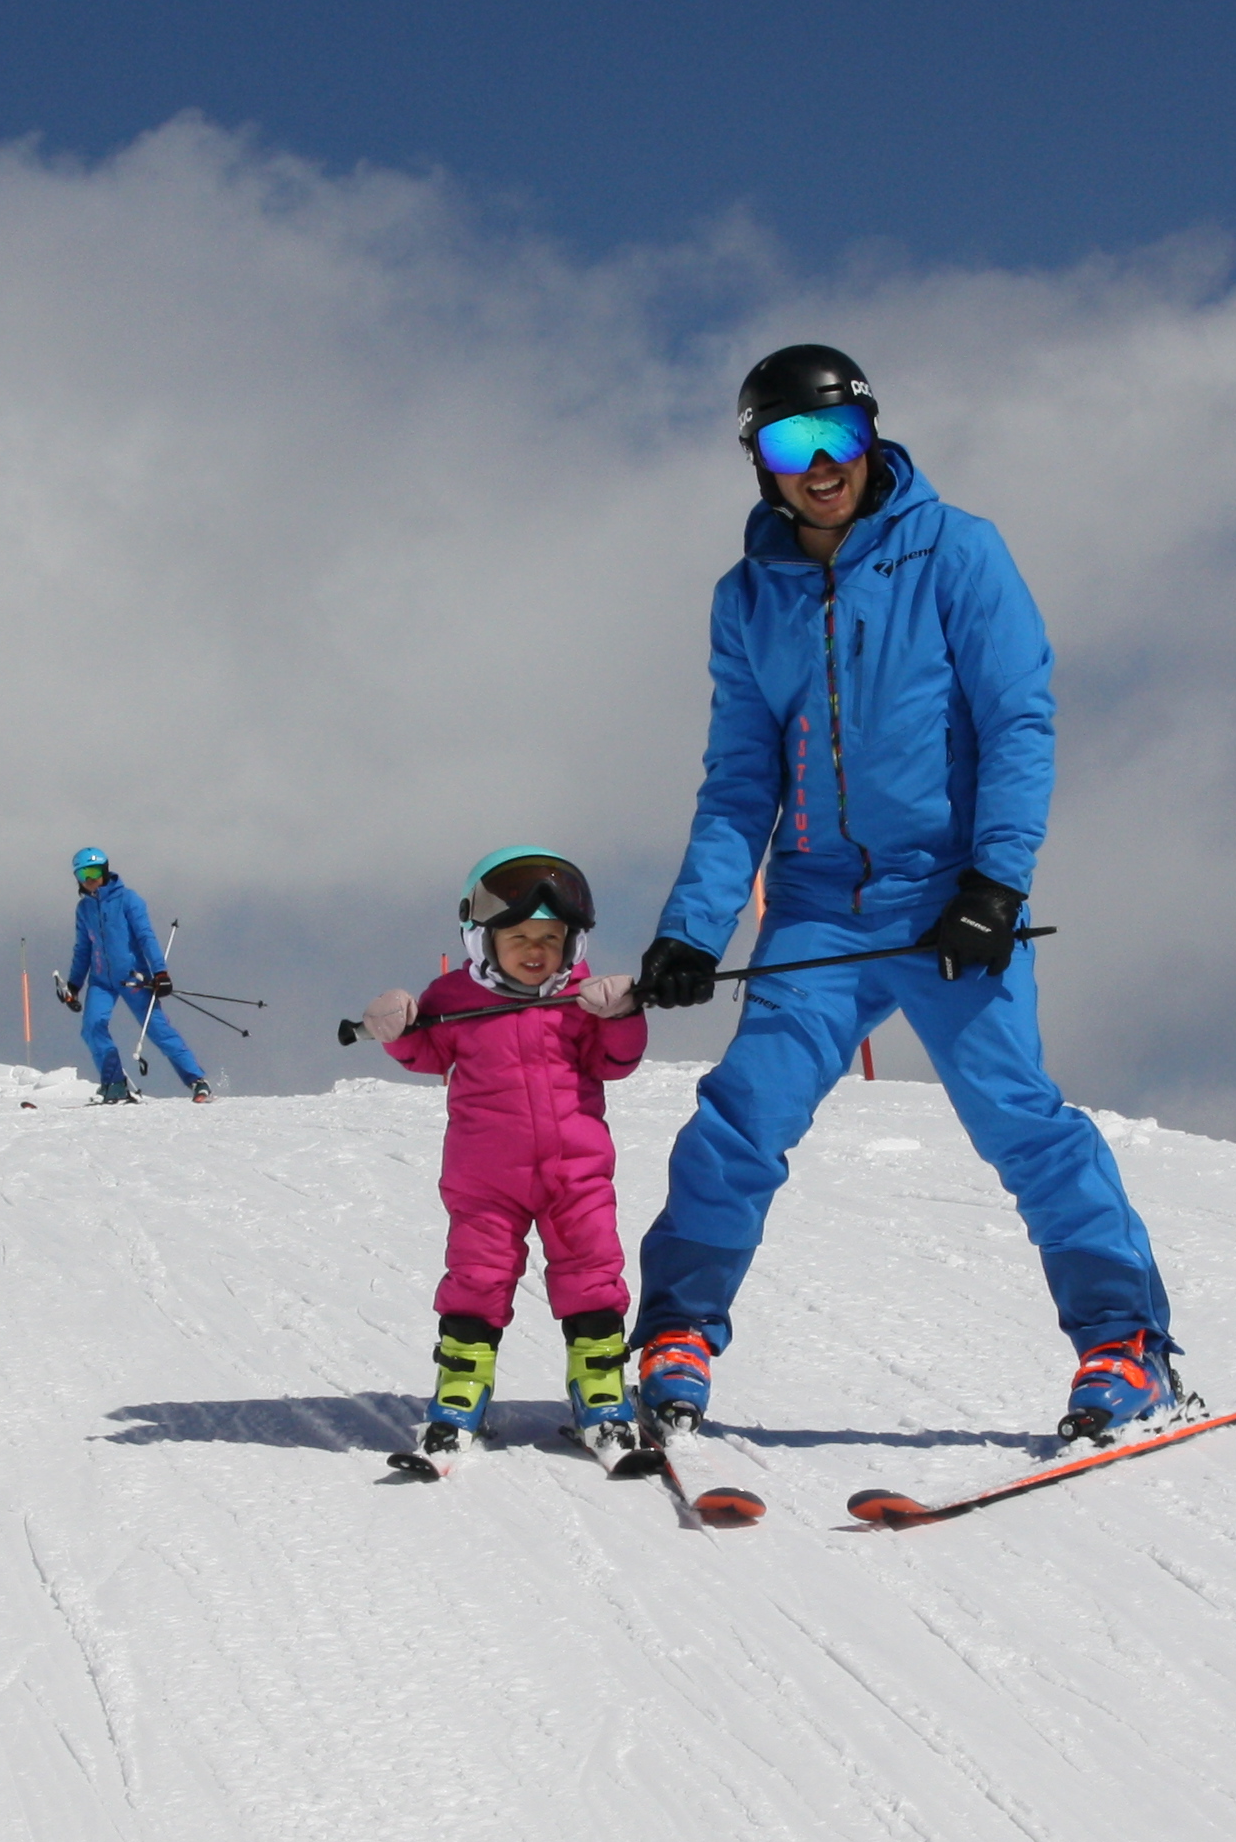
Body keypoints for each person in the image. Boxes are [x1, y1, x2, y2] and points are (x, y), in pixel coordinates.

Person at [626, 345, 1179, 1438]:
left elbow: (1017, 721)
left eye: (839, 433)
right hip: (818, 908)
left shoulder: (959, 551)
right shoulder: (748, 600)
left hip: (947, 902)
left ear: (872, 431)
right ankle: (677, 1333)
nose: (822, 463)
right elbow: (740, 780)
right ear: (759, 461)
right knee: (741, 1117)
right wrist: (691, 929)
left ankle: (1125, 1345)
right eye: (792, 442)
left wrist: (995, 882)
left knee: (1020, 1120)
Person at [356, 851, 647, 1463]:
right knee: (478, 1277)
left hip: (576, 1173)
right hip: (485, 1179)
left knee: (592, 1270)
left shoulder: (582, 996)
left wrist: (623, 1014)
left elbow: (614, 1062)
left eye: (550, 938)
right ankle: (461, 1390)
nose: (535, 950)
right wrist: (399, 1027)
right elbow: (426, 1053)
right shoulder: (455, 996)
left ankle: (599, 1391)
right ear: (483, 938)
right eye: (518, 937)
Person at [58, 846, 208, 1104]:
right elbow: (83, 949)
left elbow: (145, 936)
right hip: (101, 981)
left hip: (134, 978)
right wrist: (73, 984)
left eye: (94, 871)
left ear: (105, 870)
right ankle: (114, 1084)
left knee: (157, 1029)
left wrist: (160, 972)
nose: (90, 879)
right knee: (92, 1026)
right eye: (83, 874)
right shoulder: (84, 909)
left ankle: (197, 1080)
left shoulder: (128, 899)